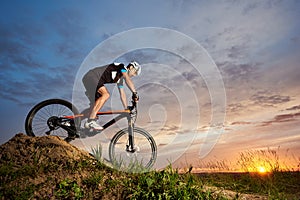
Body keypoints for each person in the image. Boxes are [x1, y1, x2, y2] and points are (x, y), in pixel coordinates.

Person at [82, 61, 141, 131]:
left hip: (90, 79)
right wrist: (135, 93)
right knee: (105, 94)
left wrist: (126, 108)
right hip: (92, 77)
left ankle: (74, 122)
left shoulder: (120, 80)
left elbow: (122, 94)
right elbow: (127, 78)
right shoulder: (122, 67)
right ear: (131, 67)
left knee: (94, 107)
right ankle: (90, 121)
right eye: (135, 72)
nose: (134, 75)